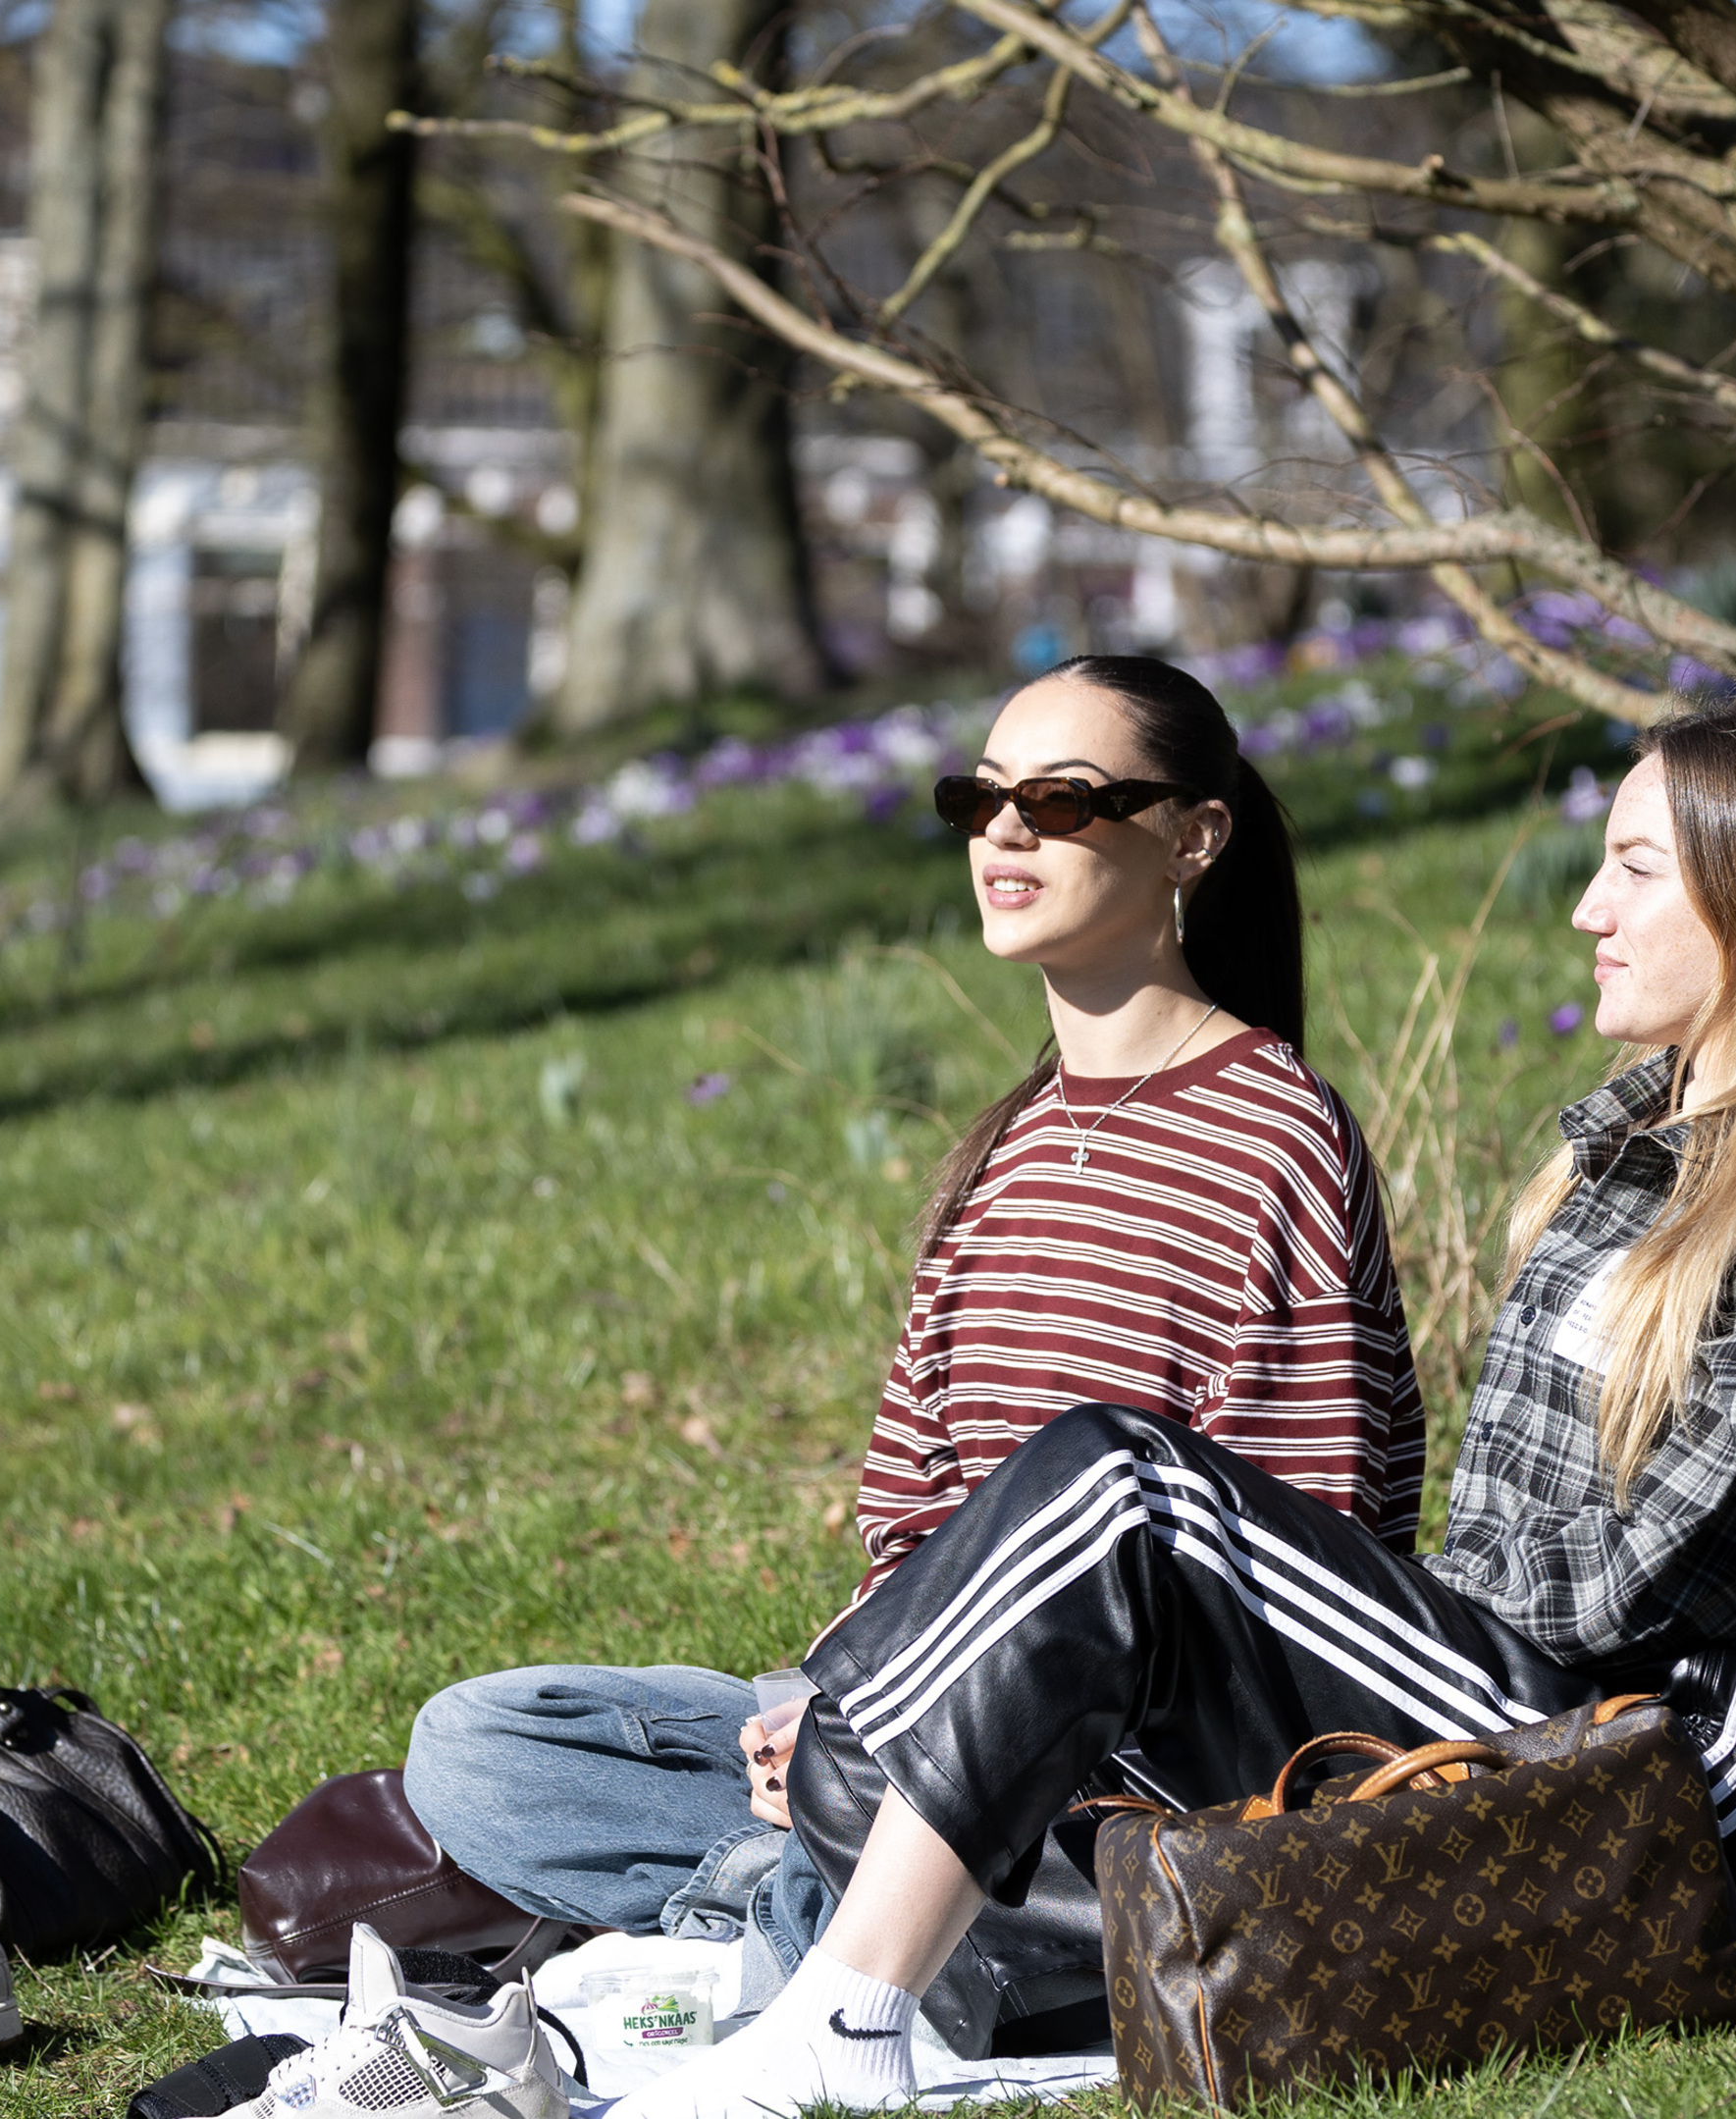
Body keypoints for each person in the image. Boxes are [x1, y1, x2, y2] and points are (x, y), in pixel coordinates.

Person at [608, 693, 1736, 2119]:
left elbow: (1642, 1582)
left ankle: (842, 2007)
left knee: (1119, 1486)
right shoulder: (1630, 1164)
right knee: (806, 1749)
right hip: (1549, 1710)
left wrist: (1384, 1598)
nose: (1589, 907)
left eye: (1637, 869)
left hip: (1701, 1777)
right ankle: (874, 1895)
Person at [398, 657, 1428, 2048]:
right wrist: (835, 1704)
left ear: (1195, 834)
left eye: (1061, 800)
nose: (1004, 834)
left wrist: (908, 1752)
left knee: (860, 1827)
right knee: (482, 1746)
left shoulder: (1273, 1135)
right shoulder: (1000, 1152)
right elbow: (912, 1509)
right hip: (901, 1718)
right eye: (980, 798)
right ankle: (795, 1906)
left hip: (1137, 1771)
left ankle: (798, 1929)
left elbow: (1291, 1561)